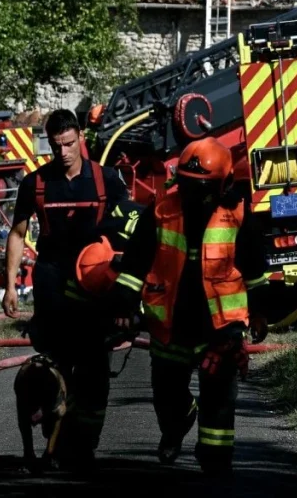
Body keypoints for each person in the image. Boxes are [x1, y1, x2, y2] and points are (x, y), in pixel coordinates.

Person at [111, 136, 271, 475]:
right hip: (171, 324)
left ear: (225, 183)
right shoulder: (160, 210)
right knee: (168, 398)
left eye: (203, 186)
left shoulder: (239, 215)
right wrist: (124, 307)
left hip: (220, 328)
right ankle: (177, 425)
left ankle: (216, 463)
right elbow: (135, 265)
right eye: (188, 184)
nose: (194, 193)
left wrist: (258, 312)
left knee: (219, 400)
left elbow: (255, 272)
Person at [1, 108, 129, 468]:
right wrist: (11, 287)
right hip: (53, 286)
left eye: (69, 144)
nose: (63, 153)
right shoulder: (35, 184)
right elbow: (18, 233)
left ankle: (84, 445)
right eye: (56, 146)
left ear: (80, 140)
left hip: (95, 288)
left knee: (94, 372)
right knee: (55, 368)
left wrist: (125, 299)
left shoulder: (107, 182)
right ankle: (55, 435)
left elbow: (130, 236)